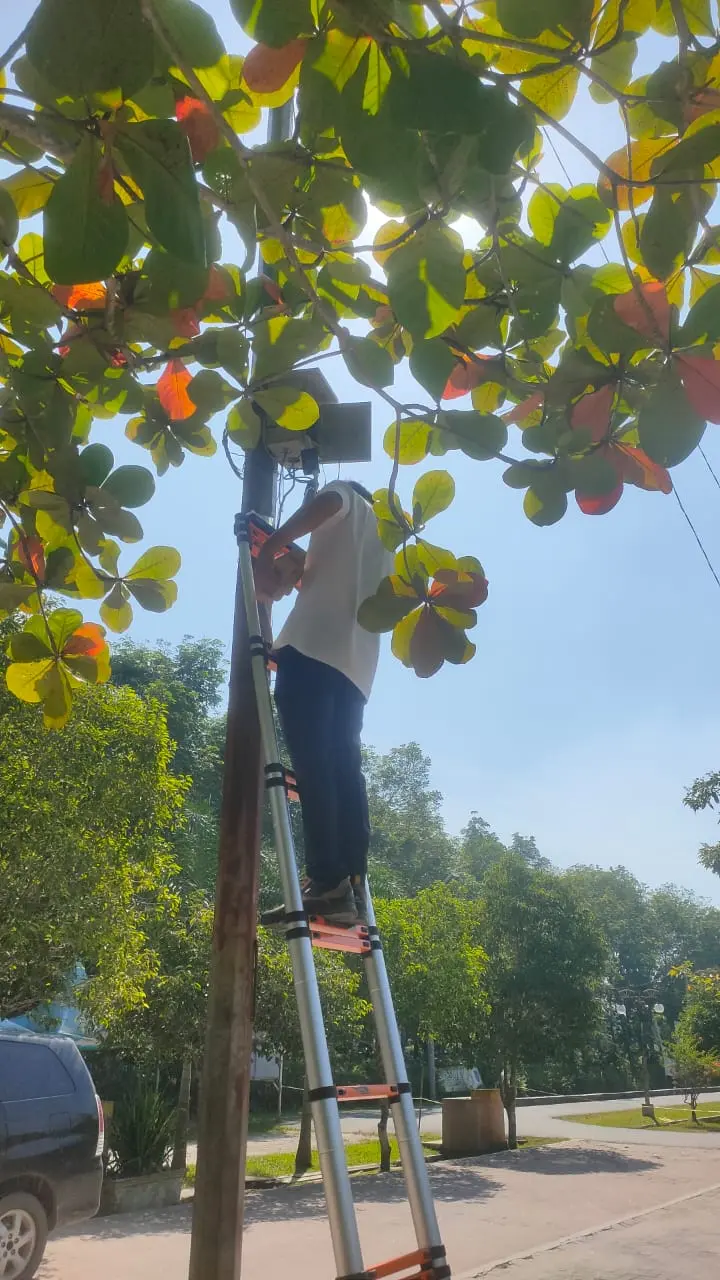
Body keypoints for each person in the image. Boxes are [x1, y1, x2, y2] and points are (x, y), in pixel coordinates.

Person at [254, 479, 392, 926]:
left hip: (312, 650)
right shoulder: (386, 539)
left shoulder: (347, 498)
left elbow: (330, 501)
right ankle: (351, 881)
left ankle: (327, 881)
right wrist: (295, 567)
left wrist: (272, 544)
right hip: (355, 669)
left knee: (314, 768)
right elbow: (324, 581)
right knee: (342, 769)